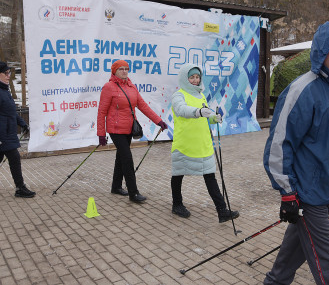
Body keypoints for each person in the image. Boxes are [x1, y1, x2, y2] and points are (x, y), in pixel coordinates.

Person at [263, 21, 329, 285]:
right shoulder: (302, 90)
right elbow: (279, 145)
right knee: (328, 266)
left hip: (326, 190)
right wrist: (287, 193)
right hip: (307, 194)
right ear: (324, 51)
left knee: (290, 257)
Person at [169, 63, 239, 222]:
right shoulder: (178, 95)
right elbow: (181, 110)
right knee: (178, 174)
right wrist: (198, 112)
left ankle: (222, 211)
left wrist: (214, 118)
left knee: (210, 176)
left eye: (197, 77)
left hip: (202, 143)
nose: (195, 80)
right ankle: (177, 204)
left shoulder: (201, 95)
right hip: (185, 144)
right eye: (192, 77)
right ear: (185, 79)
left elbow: (205, 117)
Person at [97, 60, 168, 203]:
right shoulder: (108, 87)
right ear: (114, 71)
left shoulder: (131, 86)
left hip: (129, 128)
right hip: (115, 129)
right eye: (121, 69)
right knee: (127, 159)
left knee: (121, 158)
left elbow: (143, 106)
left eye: (126, 69)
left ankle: (116, 187)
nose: (124, 71)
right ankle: (133, 193)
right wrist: (101, 133)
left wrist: (158, 121)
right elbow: (101, 112)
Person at [0, 61, 35, 198]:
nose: (9, 75)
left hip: (7, 131)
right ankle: (20, 188)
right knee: (14, 157)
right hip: (1, 134)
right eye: (6, 73)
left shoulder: (2, 89)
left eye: (9, 73)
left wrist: (23, 124)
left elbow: (11, 112)